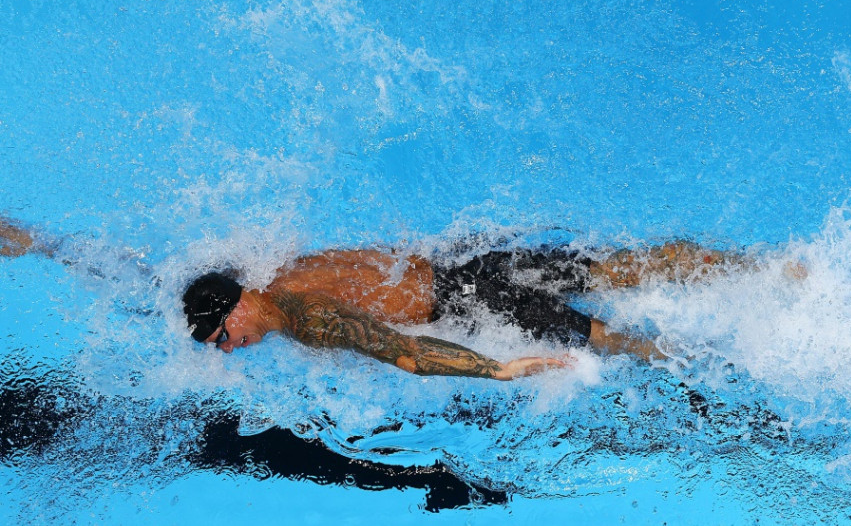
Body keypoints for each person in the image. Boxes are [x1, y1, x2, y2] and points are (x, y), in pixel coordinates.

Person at [2, 217, 746, 380]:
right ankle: (754, 272)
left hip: (471, 299)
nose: (226, 352)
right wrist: (39, 244)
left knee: (608, 339)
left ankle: (722, 355)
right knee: (616, 268)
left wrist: (494, 371)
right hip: (459, 261)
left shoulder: (297, 314)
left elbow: (407, 353)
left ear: (232, 313)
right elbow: (148, 273)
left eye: (219, 340)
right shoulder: (258, 269)